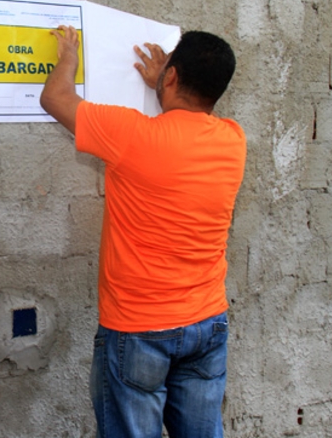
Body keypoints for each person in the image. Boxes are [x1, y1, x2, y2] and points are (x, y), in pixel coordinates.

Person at [40, 27, 246, 438]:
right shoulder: (233, 140)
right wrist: (165, 84)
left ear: (172, 75)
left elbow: (55, 98)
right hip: (207, 323)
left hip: (138, 330)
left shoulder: (130, 137)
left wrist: (68, 56)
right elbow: (188, 122)